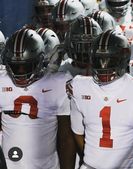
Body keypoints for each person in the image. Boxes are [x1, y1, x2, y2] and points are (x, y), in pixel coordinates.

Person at [67, 30, 133, 169]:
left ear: (123, 58)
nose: (103, 65)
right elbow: (77, 132)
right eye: (99, 59)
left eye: (110, 60)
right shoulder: (79, 86)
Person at [0, 28, 76, 169]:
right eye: (16, 67)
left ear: (41, 60)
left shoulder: (59, 84)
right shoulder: (2, 80)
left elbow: (65, 138)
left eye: (26, 65)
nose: (21, 72)